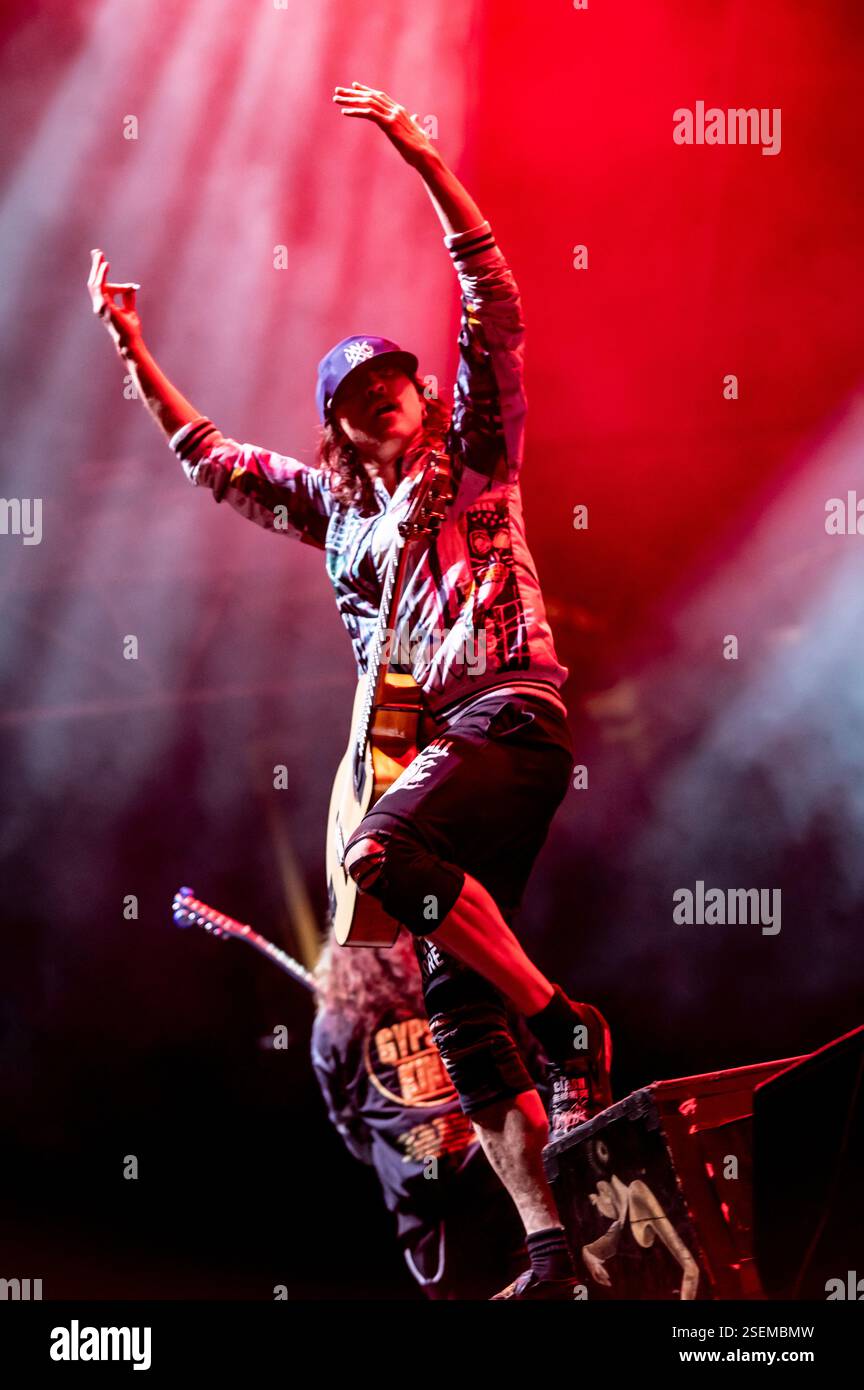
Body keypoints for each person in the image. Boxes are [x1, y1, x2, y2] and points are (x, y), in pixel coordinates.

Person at [87, 80, 613, 1300]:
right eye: (359, 389)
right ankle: (543, 1249)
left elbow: (497, 301)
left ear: (428, 394)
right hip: (448, 768)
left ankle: (567, 1016)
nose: (389, 389)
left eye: (399, 375)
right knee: (459, 1017)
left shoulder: (476, 449)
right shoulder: (331, 511)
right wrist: (131, 346)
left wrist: (423, 158)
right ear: (334, 426)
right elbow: (209, 461)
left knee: (380, 855)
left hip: (510, 709)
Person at [311, 927, 547, 1299]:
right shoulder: (460, 979)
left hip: (433, 1210)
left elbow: (349, 1126)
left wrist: (401, 1161)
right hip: (498, 1178)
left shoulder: (332, 1027)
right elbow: (531, 1063)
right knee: (543, 1284)